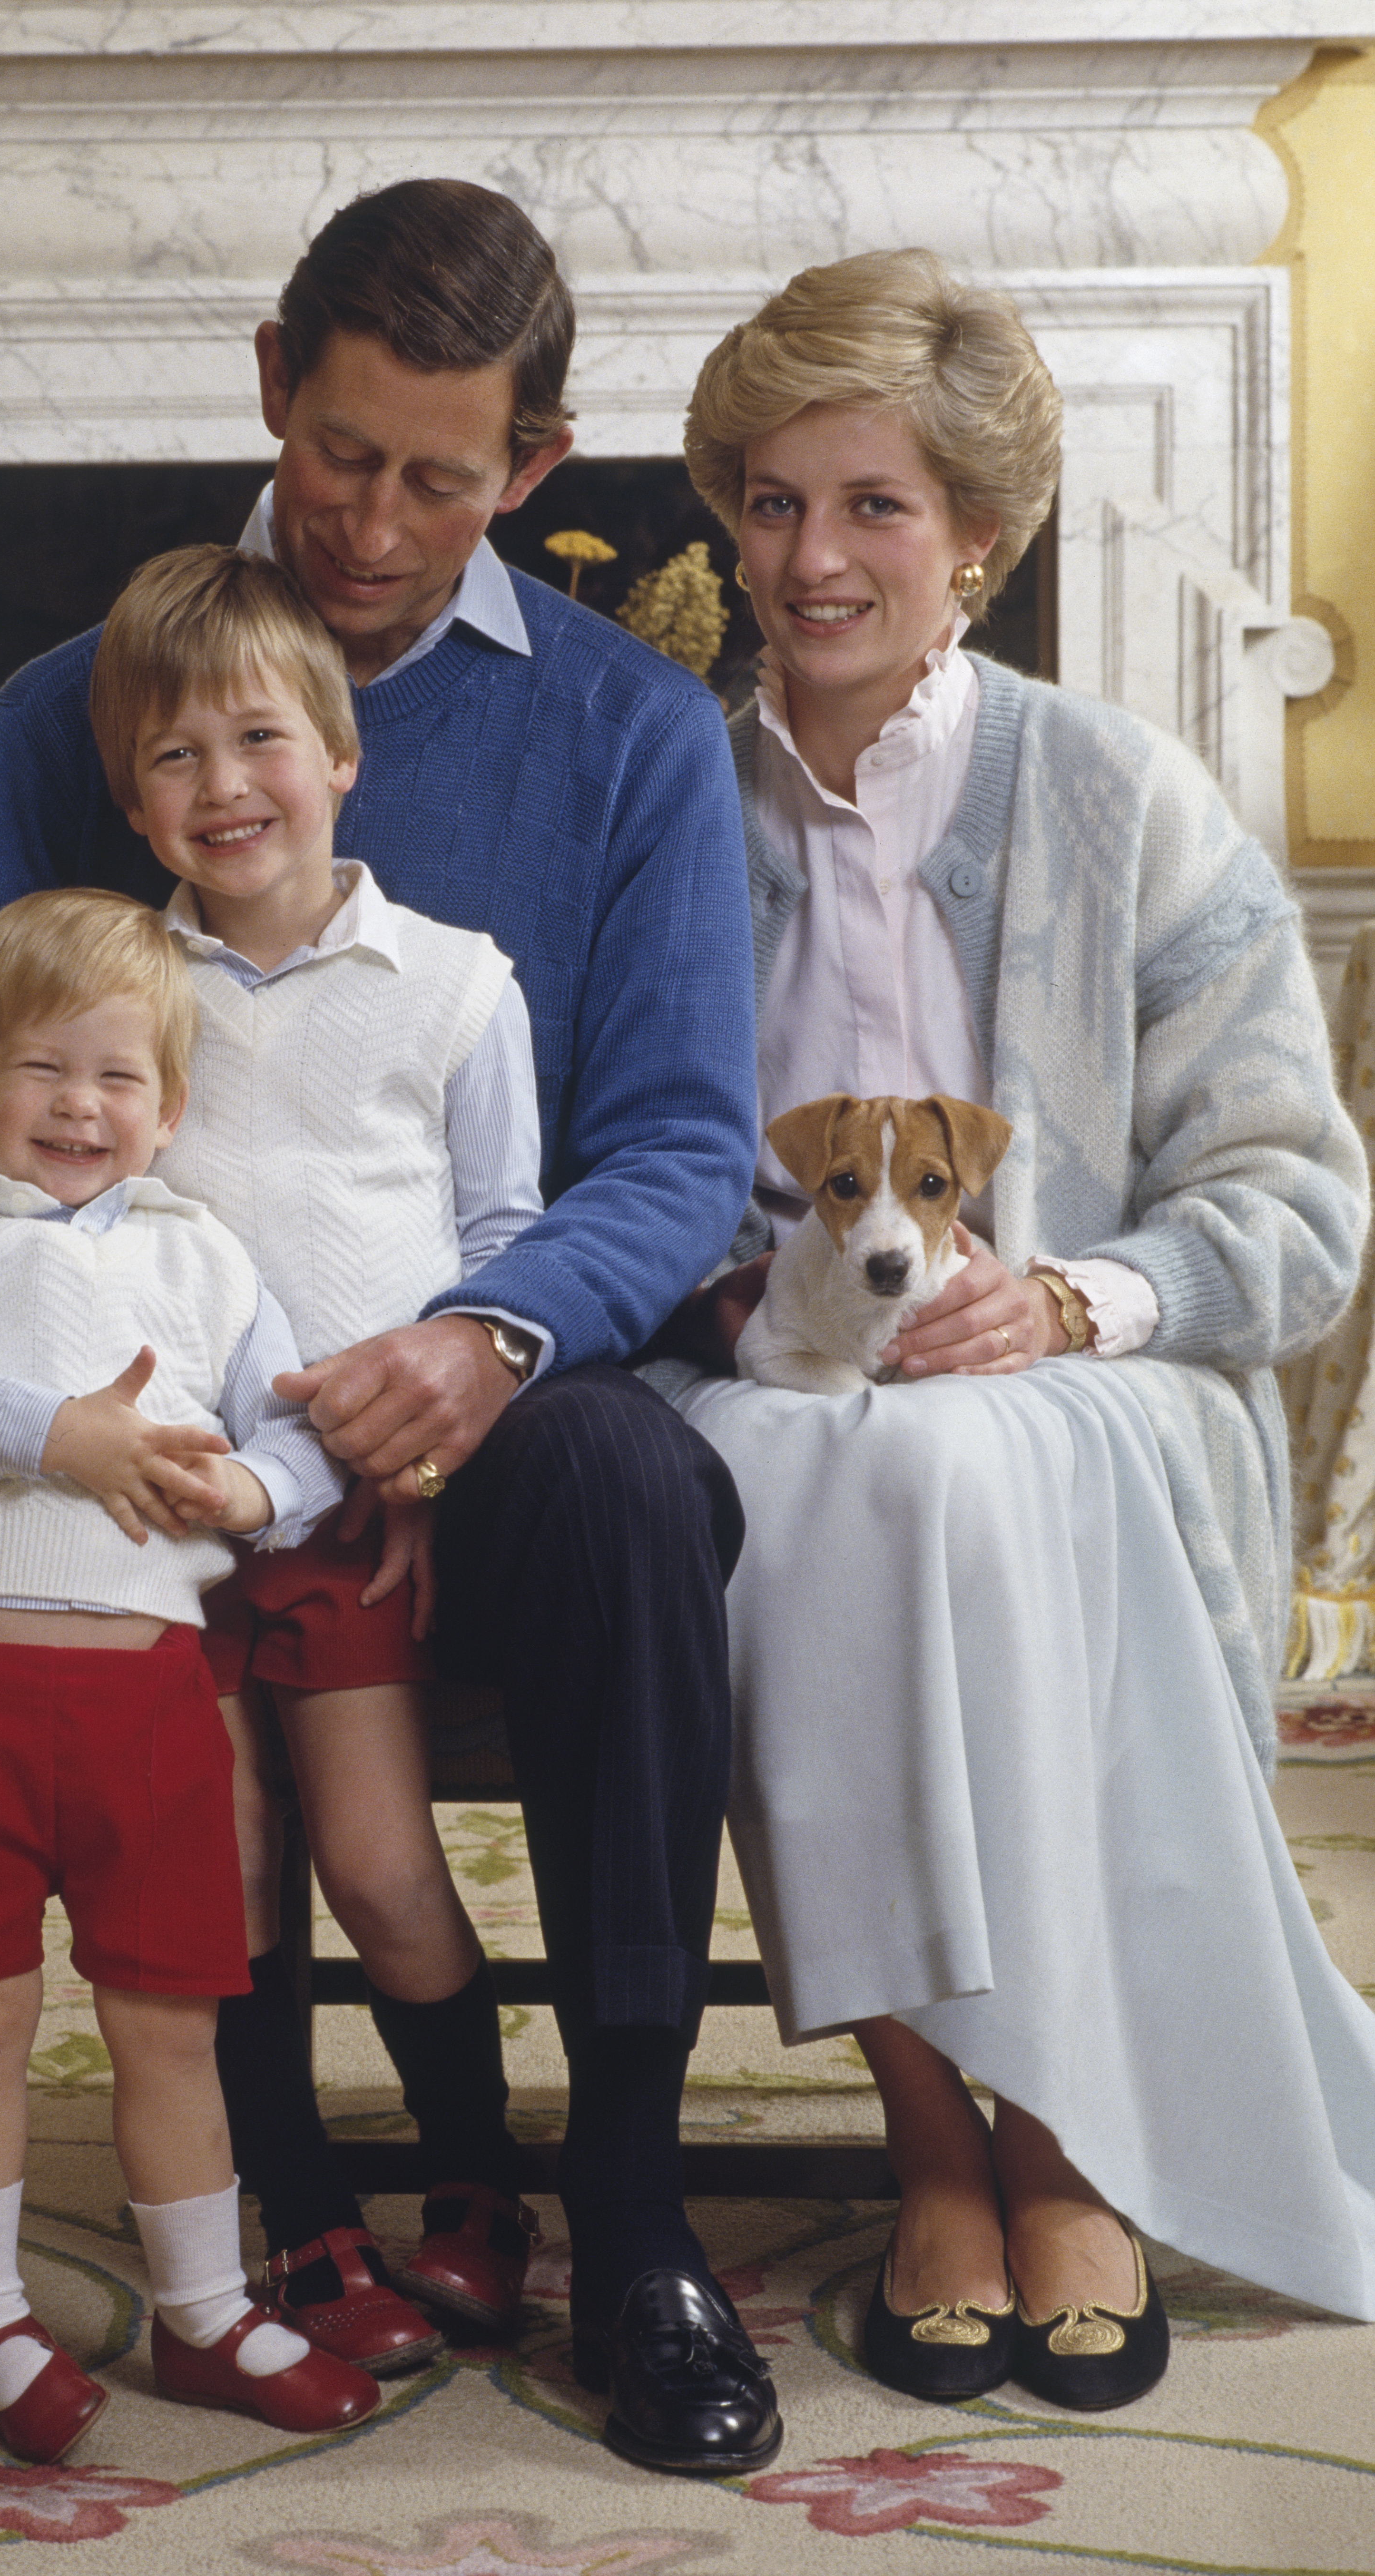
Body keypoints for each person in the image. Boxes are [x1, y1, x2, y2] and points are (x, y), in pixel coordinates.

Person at [0, 180, 774, 2477]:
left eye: (437, 477)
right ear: (272, 381)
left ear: (532, 469)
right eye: (339, 449)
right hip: (119, 1386)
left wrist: (488, 1336)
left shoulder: (630, 735)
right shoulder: (86, 704)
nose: (370, 520)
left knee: (639, 1480)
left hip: (483, 1375)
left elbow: (670, 1152)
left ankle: (629, 2200)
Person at [646, 246, 1375, 2410]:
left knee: (945, 1455)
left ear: (979, 533)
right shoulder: (668, 794)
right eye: (772, 502)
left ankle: (1057, 2136)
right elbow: (603, 1160)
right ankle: (935, 2129)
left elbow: (1302, 1209)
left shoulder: (1118, 792)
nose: (812, 556)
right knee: (815, 1461)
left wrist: (1067, 1291)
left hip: (1096, 1393)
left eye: (873, 505)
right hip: (781, 1384)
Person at [0, 887, 380, 2459]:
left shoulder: (207, 1257)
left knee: (169, 2022)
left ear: (173, 1107)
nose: (79, 1106)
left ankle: (204, 2313)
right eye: (39, 1072)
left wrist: (252, 1497)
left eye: (117, 1077)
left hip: (148, 1707)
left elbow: (297, 1434)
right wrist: (64, 1435)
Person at [90, 540, 543, 2373]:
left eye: (259, 739)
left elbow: (512, 1241)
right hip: (169, 1519)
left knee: (376, 1860)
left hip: (358, 1507)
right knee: (236, 1865)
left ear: (343, 753)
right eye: (176, 761)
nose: (224, 789)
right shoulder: (127, 992)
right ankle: (307, 2220)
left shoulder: (450, 986)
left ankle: (479, 2185)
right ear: (133, 797)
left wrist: (435, 1471)